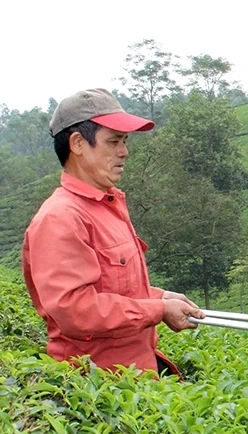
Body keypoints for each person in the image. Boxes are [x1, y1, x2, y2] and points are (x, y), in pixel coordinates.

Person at [21, 88, 203, 376]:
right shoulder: (60, 218)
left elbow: (114, 289)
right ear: (78, 144)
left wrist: (159, 297)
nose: (124, 152)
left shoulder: (108, 205)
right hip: (100, 392)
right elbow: (76, 310)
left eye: (125, 141)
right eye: (113, 142)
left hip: (137, 375)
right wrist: (158, 310)